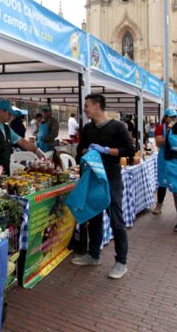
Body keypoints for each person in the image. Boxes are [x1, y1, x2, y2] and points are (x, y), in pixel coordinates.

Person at [72, 93, 134, 279]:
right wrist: (86, 150)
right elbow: (78, 150)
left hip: (111, 178)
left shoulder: (117, 127)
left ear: (97, 106)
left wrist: (106, 150)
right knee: (95, 218)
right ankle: (93, 255)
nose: (84, 109)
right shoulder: (87, 128)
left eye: (86, 105)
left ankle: (121, 261)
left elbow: (130, 150)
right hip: (92, 178)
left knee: (116, 220)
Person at [153, 108, 177, 215]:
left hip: (175, 157)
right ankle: (159, 205)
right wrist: (168, 133)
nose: (173, 119)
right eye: (170, 117)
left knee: (176, 183)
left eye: (174, 117)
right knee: (162, 182)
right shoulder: (160, 128)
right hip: (163, 157)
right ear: (165, 117)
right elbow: (159, 143)